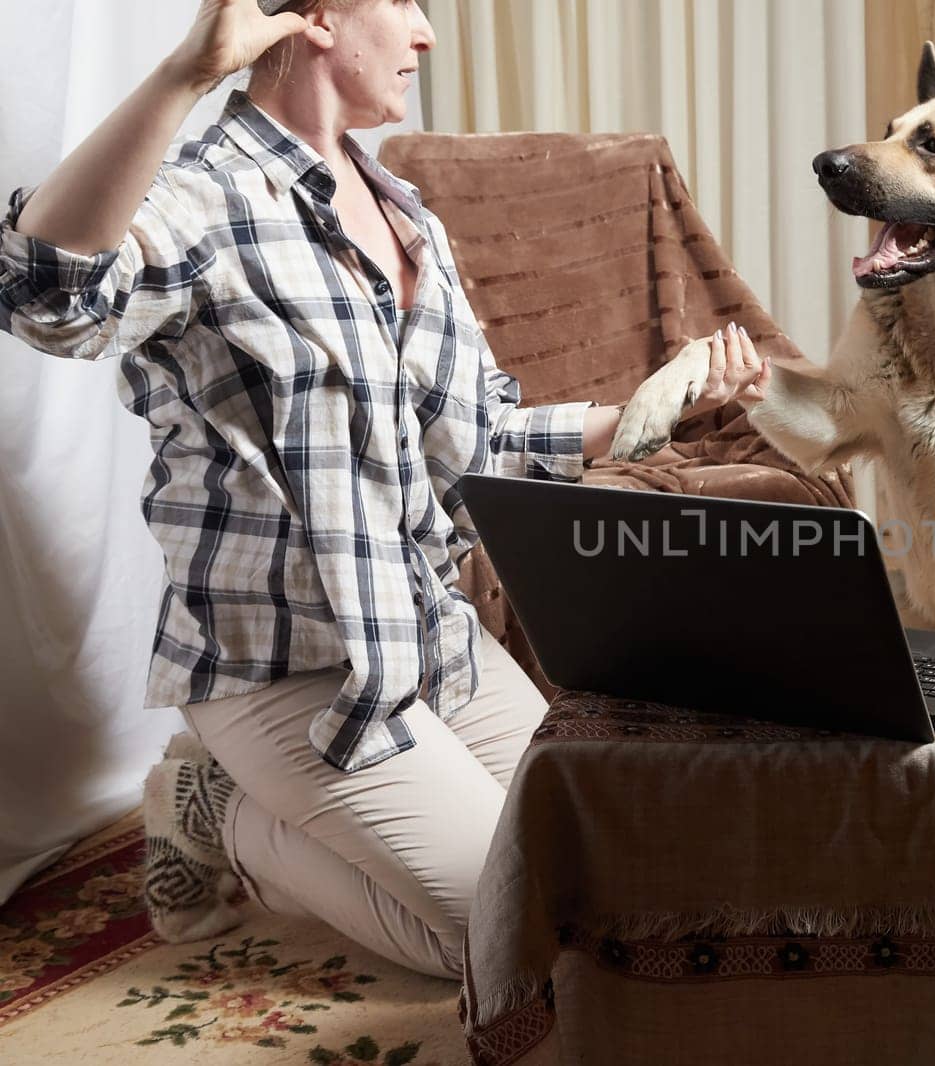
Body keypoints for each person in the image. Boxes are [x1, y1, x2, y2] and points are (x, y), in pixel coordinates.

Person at [0, 0, 769, 980]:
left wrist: (660, 401)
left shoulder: (405, 212)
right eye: (404, 3)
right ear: (318, 18)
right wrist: (181, 77)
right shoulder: (204, 197)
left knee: (616, 877)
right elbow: (46, 300)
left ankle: (252, 805)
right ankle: (220, 812)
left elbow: (475, 437)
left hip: (428, 636)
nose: (426, 34)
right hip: (287, 669)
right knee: (503, 944)